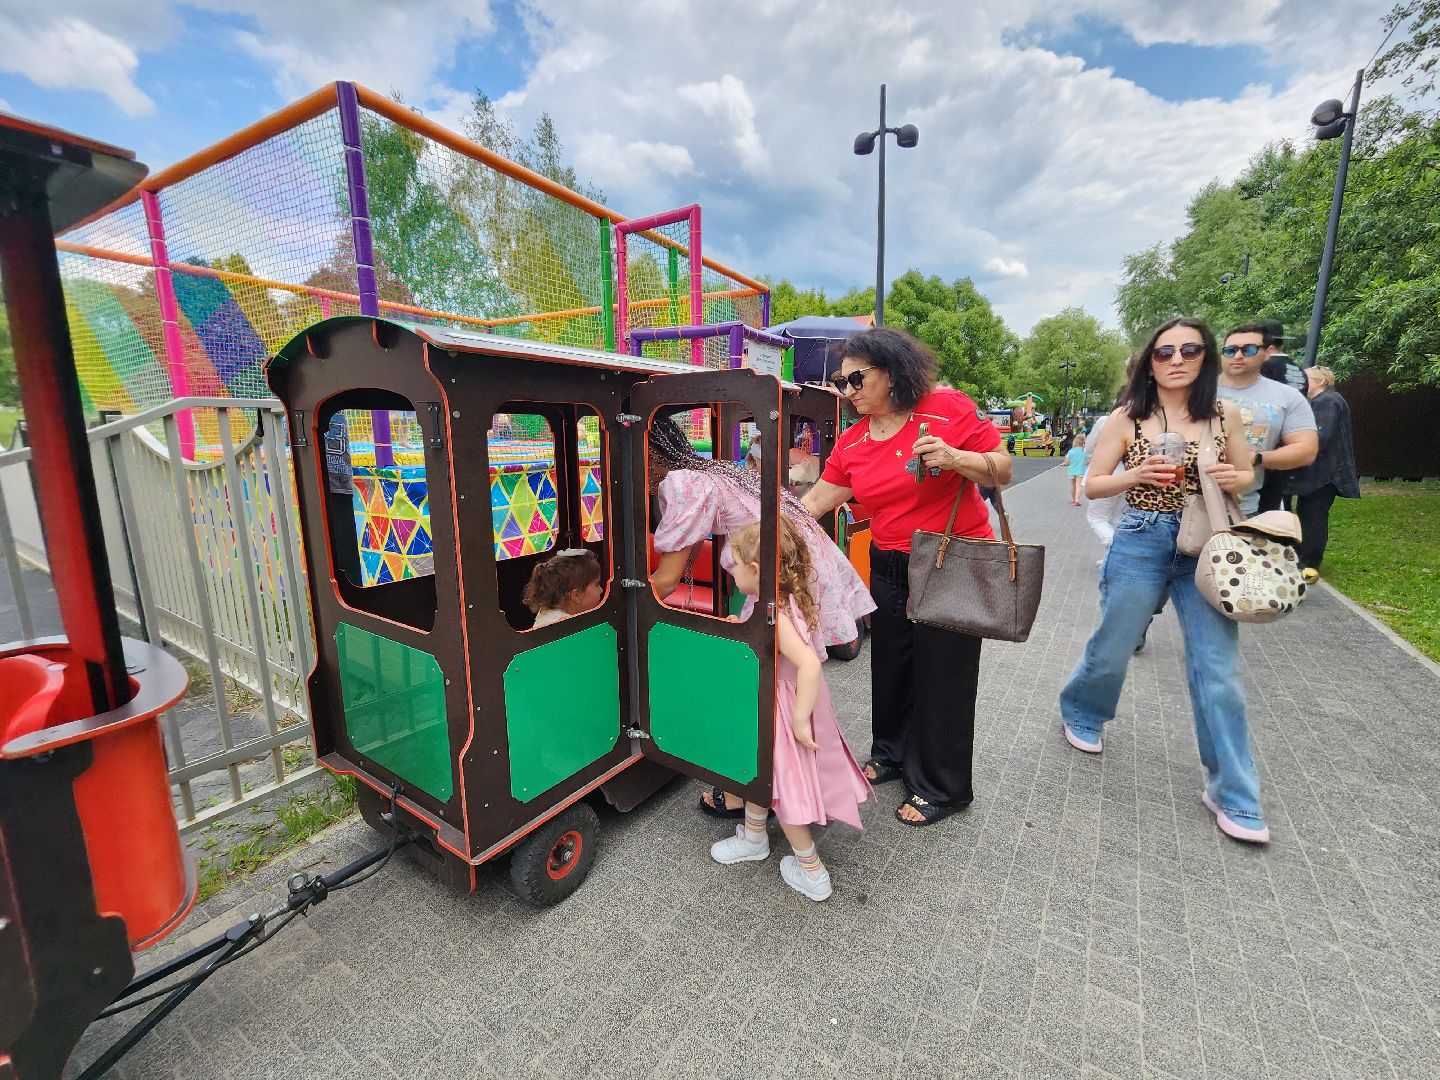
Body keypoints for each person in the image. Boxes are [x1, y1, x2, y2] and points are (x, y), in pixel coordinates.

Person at [1061, 317, 1269, 844]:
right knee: (1113, 642)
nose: (1176, 359)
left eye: (1190, 350)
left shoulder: (1227, 416)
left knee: (1216, 667)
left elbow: (1248, 474)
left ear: (1205, 358)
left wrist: (1232, 476)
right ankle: (1083, 709)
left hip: (1208, 543)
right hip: (1142, 536)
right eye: (1164, 351)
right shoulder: (1128, 418)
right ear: (1150, 362)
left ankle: (1234, 793)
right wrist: (1135, 475)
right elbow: (1093, 483)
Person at [801, 327, 1012, 826]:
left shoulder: (947, 409)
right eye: (840, 382)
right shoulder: (852, 440)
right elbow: (816, 501)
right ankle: (892, 752)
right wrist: (767, 524)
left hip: (949, 557)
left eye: (856, 379)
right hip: (890, 560)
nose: (846, 392)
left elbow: (1002, 468)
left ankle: (943, 785)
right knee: (891, 665)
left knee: (944, 672)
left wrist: (956, 458)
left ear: (892, 372)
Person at [646, 414, 875, 818]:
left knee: (762, 689)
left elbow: (664, 581)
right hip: (794, 571)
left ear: (646, 455)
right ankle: (781, 787)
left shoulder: (682, 483)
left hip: (773, 575)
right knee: (774, 684)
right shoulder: (711, 469)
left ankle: (754, 792)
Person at [706, 520, 871, 902]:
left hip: (783, 708)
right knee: (762, 773)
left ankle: (812, 871)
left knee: (787, 788)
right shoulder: (778, 601)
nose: (732, 569)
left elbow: (809, 664)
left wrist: (798, 720)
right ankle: (753, 835)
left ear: (758, 571)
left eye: (737, 564)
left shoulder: (775, 613)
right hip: (781, 701)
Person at [1219, 323, 1318, 515]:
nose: (1238, 356)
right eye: (1230, 350)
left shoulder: (1287, 396)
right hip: (1188, 506)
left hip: (1246, 506)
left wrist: (1257, 458)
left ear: (1267, 353)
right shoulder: (1197, 391)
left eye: (1248, 349)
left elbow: (1306, 450)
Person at [1288, 366, 1360, 583]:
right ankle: (1304, 558)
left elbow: (1320, 436)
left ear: (1319, 381)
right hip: (1324, 471)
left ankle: (1309, 563)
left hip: (1325, 473)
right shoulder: (1327, 400)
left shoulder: (1327, 401)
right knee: (1309, 513)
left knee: (1313, 516)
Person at [523, 548, 603, 629]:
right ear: (576, 595)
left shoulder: (546, 614)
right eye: (597, 585)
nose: (601, 590)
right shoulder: (567, 627)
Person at [1065, 432, 1087, 505]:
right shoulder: (1084, 451)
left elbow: (1067, 461)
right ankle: (1077, 500)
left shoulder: (1071, 451)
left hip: (1072, 470)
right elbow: (1089, 460)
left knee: (1073, 486)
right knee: (1078, 485)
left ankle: (1073, 498)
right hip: (1080, 470)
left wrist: (1067, 463)